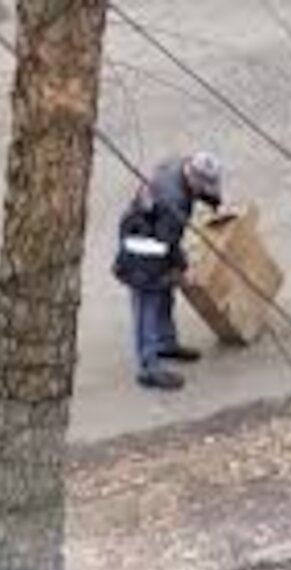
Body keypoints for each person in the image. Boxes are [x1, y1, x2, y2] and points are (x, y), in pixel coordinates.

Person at [112, 151, 224, 391]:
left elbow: (199, 196)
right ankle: (148, 367)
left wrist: (214, 203)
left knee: (165, 293)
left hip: (154, 234)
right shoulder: (172, 200)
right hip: (141, 249)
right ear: (193, 178)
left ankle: (166, 344)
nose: (204, 190)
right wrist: (182, 268)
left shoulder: (181, 167)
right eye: (203, 186)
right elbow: (168, 242)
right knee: (147, 303)